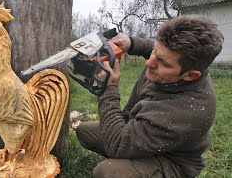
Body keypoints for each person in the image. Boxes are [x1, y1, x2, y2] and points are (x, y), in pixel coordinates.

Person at [75, 14, 224, 178]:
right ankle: (134, 159)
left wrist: (108, 89)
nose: (149, 62)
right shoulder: (179, 60)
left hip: (173, 161)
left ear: (190, 75)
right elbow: (159, 50)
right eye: (154, 51)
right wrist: (132, 43)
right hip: (148, 133)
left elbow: (117, 144)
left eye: (162, 62)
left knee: (108, 171)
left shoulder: (187, 110)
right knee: (84, 131)